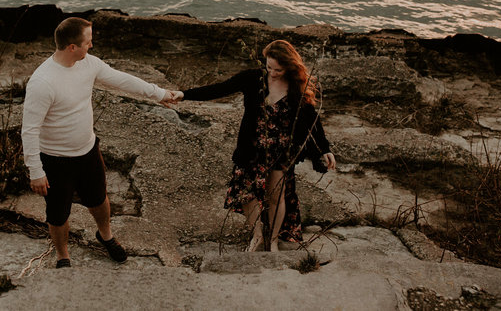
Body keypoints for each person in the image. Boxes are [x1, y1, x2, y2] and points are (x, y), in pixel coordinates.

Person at [20, 16, 183, 268]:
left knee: (98, 199)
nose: (92, 46)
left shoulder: (89, 64)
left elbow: (123, 80)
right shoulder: (42, 82)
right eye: (88, 42)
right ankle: (63, 255)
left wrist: (160, 94)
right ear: (72, 47)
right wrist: (36, 171)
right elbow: (29, 130)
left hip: (87, 151)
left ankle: (105, 235)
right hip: (55, 161)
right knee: (58, 214)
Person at [179, 40, 335, 252]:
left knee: (277, 196)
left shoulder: (297, 87)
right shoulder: (253, 78)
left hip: (281, 151)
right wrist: (184, 95)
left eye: (278, 70)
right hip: (251, 149)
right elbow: (220, 89)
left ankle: (273, 240)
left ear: (289, 67)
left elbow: (311, 120)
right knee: (244, 192)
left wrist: (324, 149)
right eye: (269, 67)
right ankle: (258, 235)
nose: (272, 73)